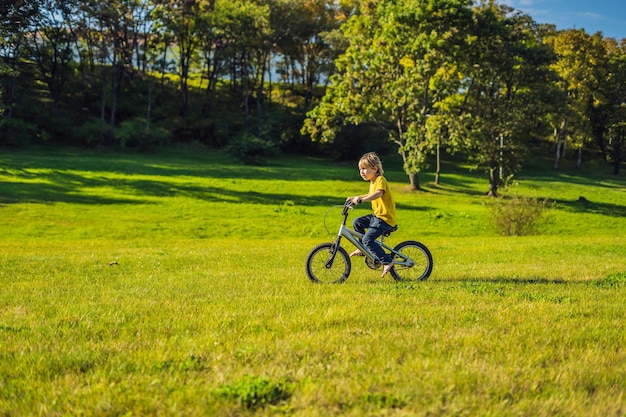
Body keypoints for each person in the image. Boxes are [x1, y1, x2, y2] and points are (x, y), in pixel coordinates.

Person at [347, 152, 397, 278]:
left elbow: (378, 194)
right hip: (377, 216)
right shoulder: (372, 182)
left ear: (375, 168)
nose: (362, 172)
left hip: (385, 219)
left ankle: (388, 261)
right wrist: (355, 197)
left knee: (368, 239)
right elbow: (369, 195)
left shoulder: (380, 180)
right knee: (357, 222)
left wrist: (362, 200)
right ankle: (363, 248)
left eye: (364, 169)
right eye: (360, 169)